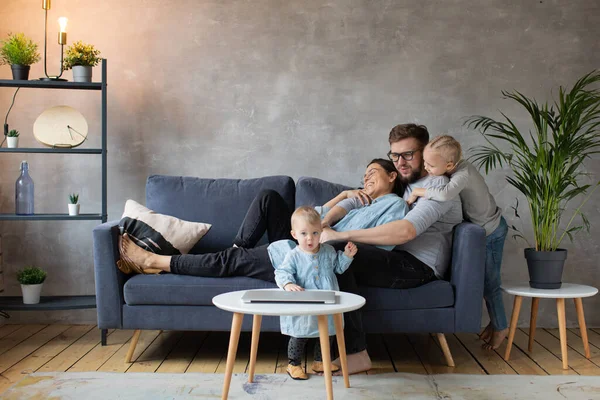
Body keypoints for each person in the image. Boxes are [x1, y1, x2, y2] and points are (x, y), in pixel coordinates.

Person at [119, 158, 408, 283]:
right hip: (305, 236)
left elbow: (378, 244)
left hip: (315, 253)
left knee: (225, 262)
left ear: (392, 176)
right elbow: (309, 218)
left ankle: (152, 261)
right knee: (269, 196)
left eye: (373, 172)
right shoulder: (355, 201)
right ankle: (237, 250)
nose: (366, 177)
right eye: (364, 174)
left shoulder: (393, 205)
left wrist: (333, 234)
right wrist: (344, 195)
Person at [319, 124, 463, 375]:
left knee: (343, 249)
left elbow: (406, 231)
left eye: (408, 154)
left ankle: (356, 354)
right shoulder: (402, 181)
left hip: (417, 266)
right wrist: (328, 219)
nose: (401, 162)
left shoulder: (437, 185)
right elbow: (359, 199)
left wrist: (340, 235)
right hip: (391, 254)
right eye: (395, 156)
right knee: (336, 254)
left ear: (425, 152)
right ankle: (328, 345)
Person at [405, 135, 508, 350]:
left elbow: (444, 195)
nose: (426, 168)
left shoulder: (463, 173)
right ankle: (495, 323)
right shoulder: (451, 170)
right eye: (424, 162)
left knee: (490, 282)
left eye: (430, 165)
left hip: (491, 229)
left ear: (449, 165)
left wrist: (418, 191)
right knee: (484, 282)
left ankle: (501, 326)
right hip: (483, 227)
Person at [274, 206, 358, 380]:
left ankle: (320, 361)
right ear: (294, 234)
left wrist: (347, 256)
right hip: (305, 301)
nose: (310, 238)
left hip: (327, 301)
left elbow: (338, 268)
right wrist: (288, 283)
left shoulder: (328, 251)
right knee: (300, 333)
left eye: (314, 233)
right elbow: (282, 272)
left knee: (328, 332)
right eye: (304, 233)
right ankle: (293, 364)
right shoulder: (294, 255)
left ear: (321, 232)